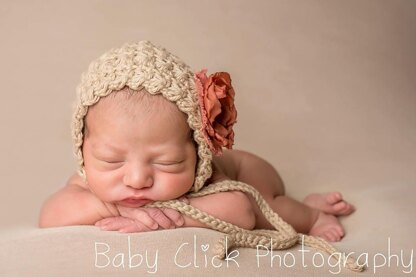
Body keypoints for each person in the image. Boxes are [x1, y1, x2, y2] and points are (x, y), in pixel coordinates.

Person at [39, 41, 355, 242]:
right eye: (110, 160)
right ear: (83, 150)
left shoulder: (207, 176)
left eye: (167, 162)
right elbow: (51, 216)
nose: (137, 179)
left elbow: (241, 211)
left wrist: (173, 214)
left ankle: (312, 213)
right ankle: (309, 203)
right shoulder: (88, 182)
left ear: (197, 153)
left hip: (247, 171)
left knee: (267, 209)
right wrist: (115, 208)